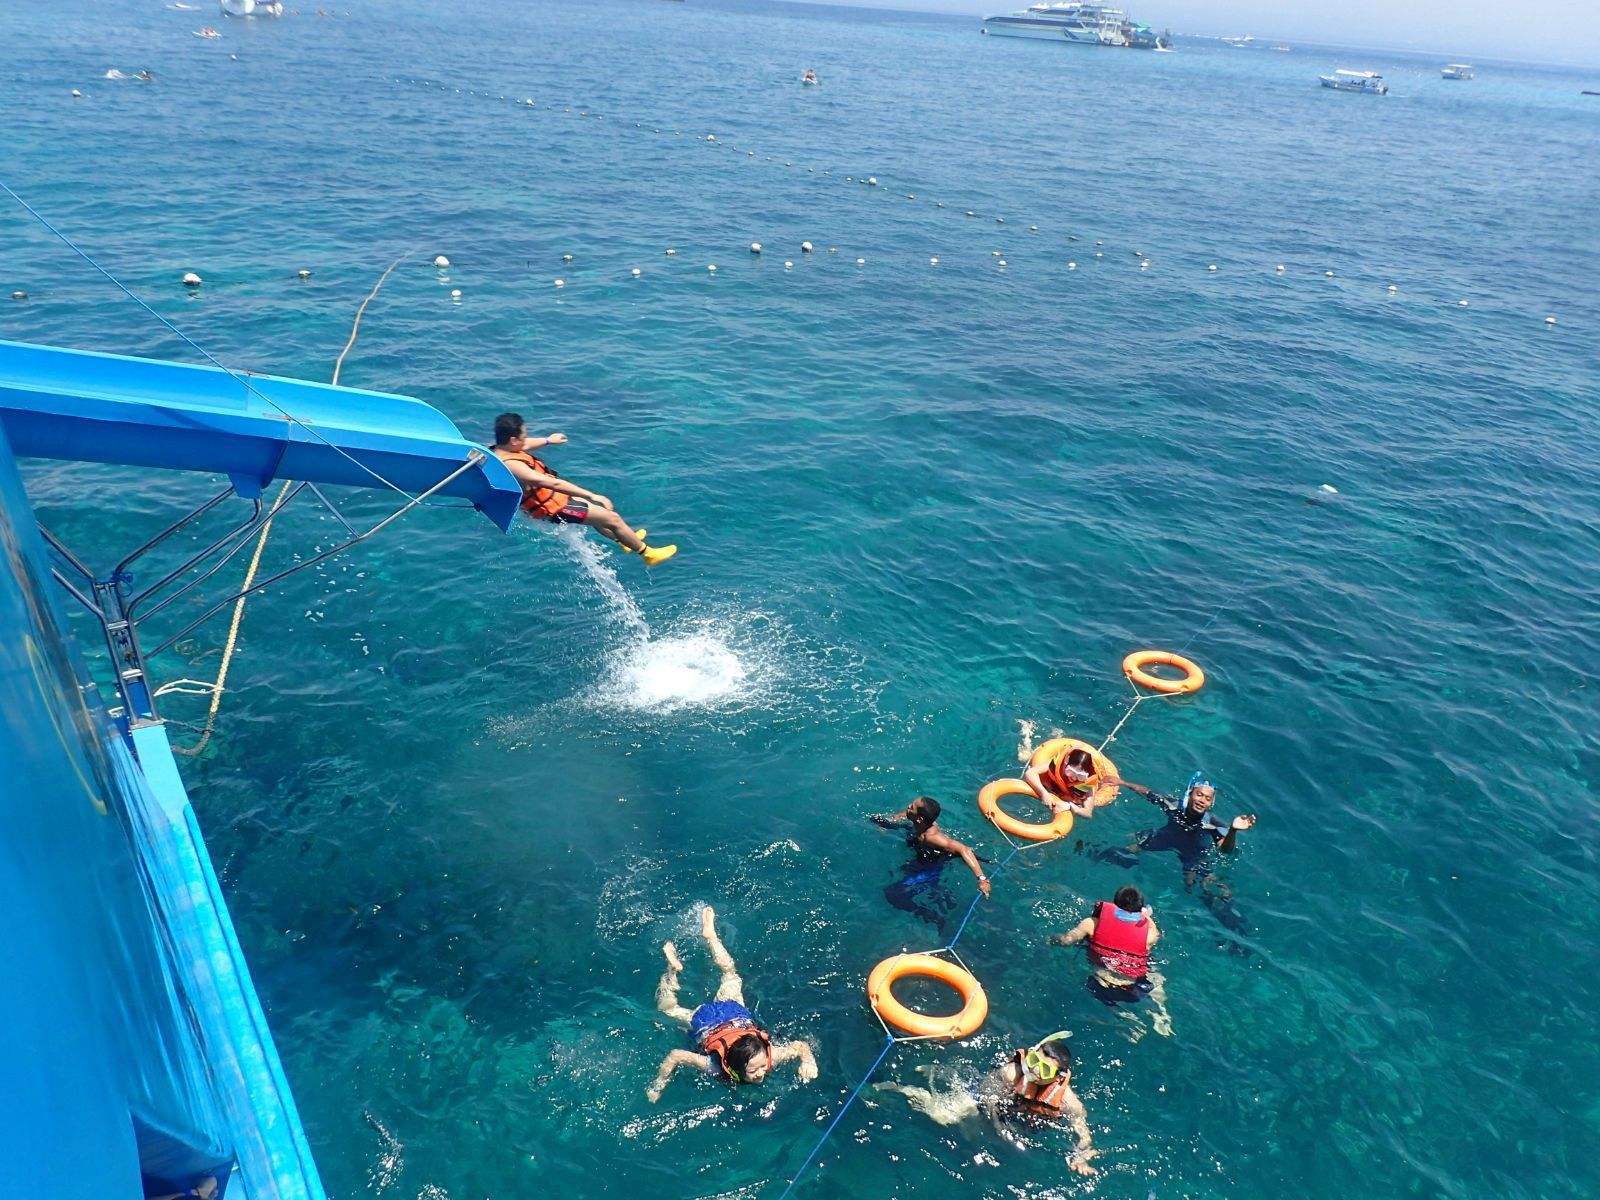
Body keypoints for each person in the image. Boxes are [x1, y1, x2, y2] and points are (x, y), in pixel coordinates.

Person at [649, 905, 818, 1100]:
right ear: (736, 1066)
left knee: (730, 973)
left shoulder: (770, 1057)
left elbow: (800, 1047)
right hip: (706, 1022)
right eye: (754, 1070)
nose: (762, 1072)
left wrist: (808, 1061)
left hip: (734, 1013)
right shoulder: (714, 1066)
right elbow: (676, 1056)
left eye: (762, 1066)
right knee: (668, 1009)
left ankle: (709, 937)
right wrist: (658, 1085)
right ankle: (673, 969)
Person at [874, 1034, 1097, 1176]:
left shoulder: (1068, 1100)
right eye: (1033, 1061)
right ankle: (902, 1089)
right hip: (985, 1100)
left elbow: (1083, 1131)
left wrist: (1081, 1156)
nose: (1035, 1071)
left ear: (1058, 1077)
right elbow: (985, 1098)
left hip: (1023, 1118)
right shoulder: (1010, 1074)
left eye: (1045, 1070)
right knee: (942, 1115)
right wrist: (998, 1127)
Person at [490, 412, 676, 565]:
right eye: (523, 436)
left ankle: (625, 540)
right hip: (554, 509)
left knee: (599, 517)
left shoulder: (500, 449)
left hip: (555, 499)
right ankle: (648, 554)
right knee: (612, 518)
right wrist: (593, 495)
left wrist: (548, 440)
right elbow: (552, 483)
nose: (526, 439)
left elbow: (528, 444)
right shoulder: (514, 466)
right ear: (513, 440)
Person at [1050, 885, 1172, 1035]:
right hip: (1138, 986)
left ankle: (1128, 1019)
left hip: (1103, 986)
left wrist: (1052, 940)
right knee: (1155, 975)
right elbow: (1156, 933)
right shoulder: (1149, 935)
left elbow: (1067, 940)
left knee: (1103, 994)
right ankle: (1162, 1015)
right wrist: (1147, 917)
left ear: (1115, 903)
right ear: (1140, 909)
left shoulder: (1091, 923)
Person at [871, 796, 991, 925]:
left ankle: (929, 914)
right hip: (921, 855)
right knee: (875, 819)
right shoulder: (917, 820)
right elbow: (902, 815)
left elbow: (964, 849)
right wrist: (887, 823)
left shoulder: (932, 837)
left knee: (892, 894)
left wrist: (982, 879)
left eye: (911, 807)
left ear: (920, 818)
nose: (908, 807)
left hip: (931, 866)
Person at [1022, 742, 1112, 819]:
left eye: (1080, 776)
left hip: (1069, 799)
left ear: (1087, 775)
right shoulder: (1057, 764)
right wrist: (1043, 793)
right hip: (1052, 788)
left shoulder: (1087, 786)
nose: (1073, 778)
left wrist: (1069, 806)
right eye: (1070, 772)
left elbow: (1088, 813)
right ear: (1066, 763)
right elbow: (1030, 773)